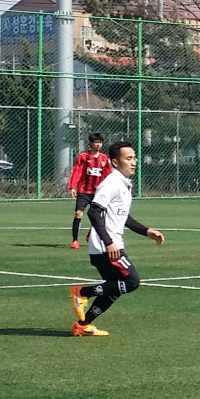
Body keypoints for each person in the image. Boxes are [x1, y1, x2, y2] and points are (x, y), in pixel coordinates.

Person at [68, 141, 164, 337]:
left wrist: (146, 231)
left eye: (134, 158)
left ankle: (83, 325)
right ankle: (82, 293)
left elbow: (123, 217)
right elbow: (94, 212)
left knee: (115, 288)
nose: (134, 162)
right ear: (115, 162)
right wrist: (109, 242)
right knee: (132, 281)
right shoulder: (111, 183)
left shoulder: (123, 184)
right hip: (106, 246)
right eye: (128, 158)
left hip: (107, 245)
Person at [67, 133, 113, 249]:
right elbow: (77, 171)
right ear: (91, 144)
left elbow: (108, 175)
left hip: (98, 192)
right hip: (84, 191)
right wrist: (72, 187)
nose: (98, 145)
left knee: (97, 215)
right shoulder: (84, 157)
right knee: (78, 213)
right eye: (96, 142)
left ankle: (90, 234)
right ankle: (75, 240)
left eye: (100, 142)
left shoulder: (104, 158)